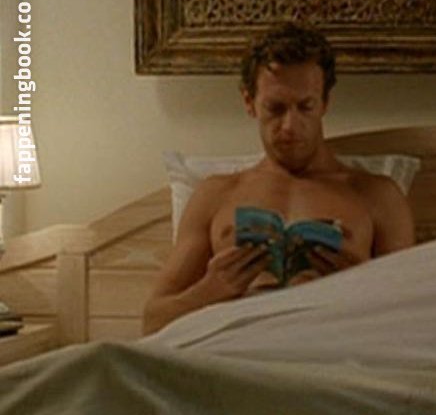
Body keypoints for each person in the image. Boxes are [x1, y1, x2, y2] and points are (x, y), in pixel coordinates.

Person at [142, 23, 415, 335]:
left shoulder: (377, 196)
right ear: (249, 103)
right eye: (275, 108)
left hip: (334, 346)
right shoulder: (216, 195)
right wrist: (210, 290)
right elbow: (153, 320)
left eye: (305, 107)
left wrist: (361, 286)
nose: (289, 126)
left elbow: (414, 320)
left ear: (325, 103)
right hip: (233, 349)